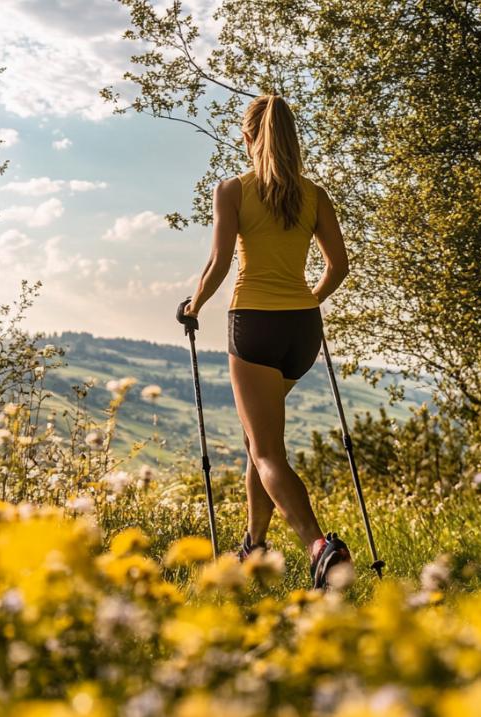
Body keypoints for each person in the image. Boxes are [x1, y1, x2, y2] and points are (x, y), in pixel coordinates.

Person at [176, 95, 352, 589]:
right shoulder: (314, 194)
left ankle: (320, 547)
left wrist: (193, 307)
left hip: (253, 324)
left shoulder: (233, 189)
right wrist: (307, 299)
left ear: (249, 137)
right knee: (259, 442)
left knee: (267, 450)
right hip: (302, 329)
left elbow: (219, 263)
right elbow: (338, 266)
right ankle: (253, 546)